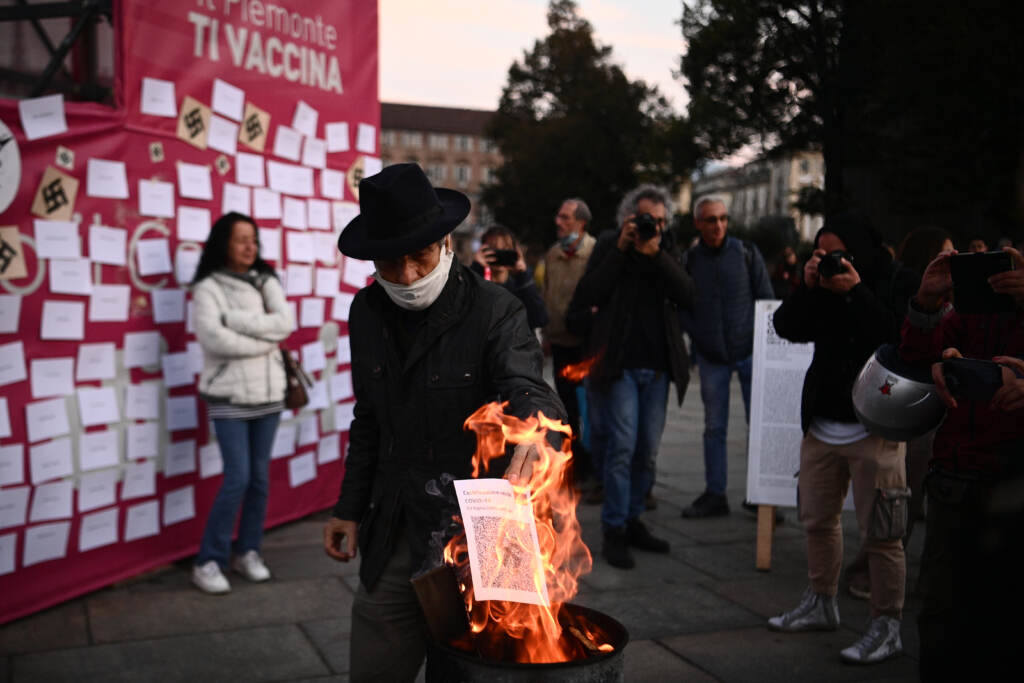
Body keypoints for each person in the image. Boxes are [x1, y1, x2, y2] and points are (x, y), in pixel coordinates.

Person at [321, 164, 565, 682]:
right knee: (375, 665)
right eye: (390, 263)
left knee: (478, 671)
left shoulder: (495, 307)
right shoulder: (365, 312)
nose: (407, 275)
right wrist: (347, 508)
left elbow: (528, 385)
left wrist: (536, 429)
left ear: (446, 241)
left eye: (420, 256)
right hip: (395, 521)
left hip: (485, 527)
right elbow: (369, 418)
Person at [768, 213, 909, 665]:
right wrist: (807, 286)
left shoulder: (889, 282)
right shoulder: (821, 288)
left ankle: (887, 624)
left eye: (836, 253)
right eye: (820, 253)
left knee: (883, 535)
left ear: (859, 252)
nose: (828, 261)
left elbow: (898, 337)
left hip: (875, 427)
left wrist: (855, 292)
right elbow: (787, 327)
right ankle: (821, 600)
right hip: (823, 426)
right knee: (817, 520)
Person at [899, 244, 1024, 680]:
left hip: (1011, 483)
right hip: (955, 476)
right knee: (940, 614)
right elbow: (915, 358)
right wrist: (927, 302)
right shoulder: (972, 310)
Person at [566, 185, 695, 569]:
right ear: (626, 218)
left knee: (647, 451)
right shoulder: (610, 246)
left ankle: (634, 518)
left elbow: (689, 295)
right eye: (642, 218)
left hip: (657, 367)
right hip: (619, 365)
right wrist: (622, 250)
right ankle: (614, 530)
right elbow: (588, 293)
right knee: (622, 447)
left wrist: (656, 255)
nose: (648, 225)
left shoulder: (667, 248)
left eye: (656, 220)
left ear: (665, 222)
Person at [190, 211, 295, 594]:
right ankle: (208, 560)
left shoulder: (266, 279)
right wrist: (266, 339)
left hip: (268, 395)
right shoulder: (208, 287)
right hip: (229, 395)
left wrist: (235, 320)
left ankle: (247, 551)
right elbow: (213, 339)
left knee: (261, 480)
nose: (250, 246)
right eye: (241, 239)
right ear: (224, 243)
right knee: (238, 478)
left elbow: (285, 323)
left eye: (253, 239)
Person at [679, 196, 773, 518]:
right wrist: (699, 336)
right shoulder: (691, 259)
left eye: (722, 218)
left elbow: (765, 299)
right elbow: (682, 305)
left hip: (749, 352)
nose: (718, 225)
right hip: (712, 356)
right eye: (710, 220)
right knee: (714, 427)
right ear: (698, 223)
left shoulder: (745, 253)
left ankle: (761, 494)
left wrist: (764, 344)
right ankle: (715, 494)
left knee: (757, 426)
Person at [541, 198, 598, 488]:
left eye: (565, 218)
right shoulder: (553, 253)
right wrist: (548, 335)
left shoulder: (595, 252)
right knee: (566, 411)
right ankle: (573, 467)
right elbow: (548, 293)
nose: (558, 222)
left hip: (587, 346)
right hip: (561, 342)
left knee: (590, 410)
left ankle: (592, 468)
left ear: (581, 223)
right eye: (559, 217)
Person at [470, 224, 548, 330]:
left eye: (506, 249)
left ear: (515, 252)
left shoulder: (520, 287)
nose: (501, 254)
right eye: (494, 249)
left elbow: (539, 319)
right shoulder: (478, 285)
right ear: (483, 251)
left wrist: (523, 276)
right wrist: (476, 269)